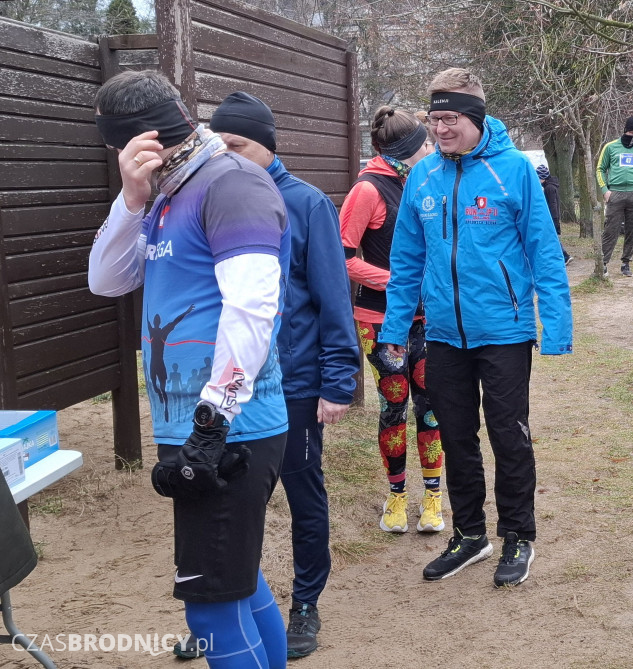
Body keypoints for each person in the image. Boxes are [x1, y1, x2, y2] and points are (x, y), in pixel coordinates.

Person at [89, 70, 289, 669]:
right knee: (240, 584)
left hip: (231, 430)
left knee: (208, 606)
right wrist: (130, 198)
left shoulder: (228, 181)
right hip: (200, 426)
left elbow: (253, 306)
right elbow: (106, 279)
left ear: (127, 137)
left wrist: (211, 422)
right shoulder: (166, 188)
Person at [379, 67, 573, 588]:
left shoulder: (512, 172)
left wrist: (555, 328)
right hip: (442, 334)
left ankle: (517, 536)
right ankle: (469, 534)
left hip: (504, 332)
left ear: (476, 118)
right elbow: (406, 261)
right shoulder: (421, 178)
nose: (441, 129)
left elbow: (544, 253)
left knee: (509, 438)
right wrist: (394, 328)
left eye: (451, 119)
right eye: (435, 119)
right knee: (455, 436)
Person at [209, 91, 362, 659]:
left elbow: (331, 296)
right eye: (218, 145)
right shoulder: (216, 201)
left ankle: (305, 603)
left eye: (237, 145)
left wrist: (337, 379)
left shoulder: (307, 204)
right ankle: (226, 610)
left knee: (302, 491)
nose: (226, 156)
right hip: (230, 384)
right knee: (229, 500)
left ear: (267, 145)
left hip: (294, 382)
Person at [338, 106, 446, 537]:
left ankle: (434, 498)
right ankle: (398, 497)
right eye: (425, 142)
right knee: (394, 407)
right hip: (381, 321)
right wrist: (398, 283)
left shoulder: (426, 180)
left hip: (432, 320)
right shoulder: (366, 190)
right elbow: (343, 257)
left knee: (433, 409)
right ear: (406, 150)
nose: (434, 145)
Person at [596, 115, 633, 277]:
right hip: (615, 194)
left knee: (632, 230)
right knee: (610, 229)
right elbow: (600, 169)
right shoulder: (611, 147)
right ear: (625, 130)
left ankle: (626, 263)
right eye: (631, 132)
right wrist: (605, 190)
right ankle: (603, 263)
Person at [537, 164, 572, 264]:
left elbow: (553, 204)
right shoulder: (550, 186)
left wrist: (554, 219)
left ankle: (565, 256)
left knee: (553, 238)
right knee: (551, 238)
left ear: (543, 177)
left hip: (552, 217)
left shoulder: (549, 188)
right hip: (551, 217)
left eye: (538, 178)